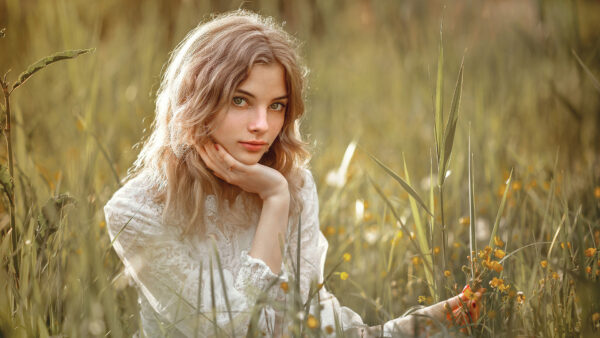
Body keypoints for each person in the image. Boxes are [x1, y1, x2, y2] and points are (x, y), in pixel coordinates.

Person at [104, 10, 484, 337]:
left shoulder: (295, 184)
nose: (261, 125)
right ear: (196, 100)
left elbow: (306, 324)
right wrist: (274, 200)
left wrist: (412, 328)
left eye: (276, 106)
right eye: (241, 100)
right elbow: (234, 331)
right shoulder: (136, 210)